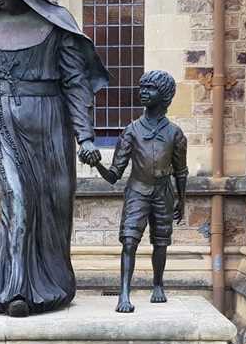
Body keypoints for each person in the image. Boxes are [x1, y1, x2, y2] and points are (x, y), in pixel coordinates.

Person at [0, 0, 108, 317]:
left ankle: (51, 284)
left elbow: (75, 84)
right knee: (17, 203)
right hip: (4, 121)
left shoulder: (56, 24)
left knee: (53, 205)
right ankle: (16, 289)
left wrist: (86, 136)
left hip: (51, 124)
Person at [81, 70, 188, 313]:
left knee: (161, 242)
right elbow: (114, 175)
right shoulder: (131, 131)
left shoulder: (175, 134)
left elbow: (181, 171)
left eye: (149, 88)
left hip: (163, 192)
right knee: (129, 242)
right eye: (142, 87)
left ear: (164, 95)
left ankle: (158, 285)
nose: (143, 92)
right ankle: (124, 294)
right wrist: (96, 162)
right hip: (137, 191)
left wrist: (182, 201)